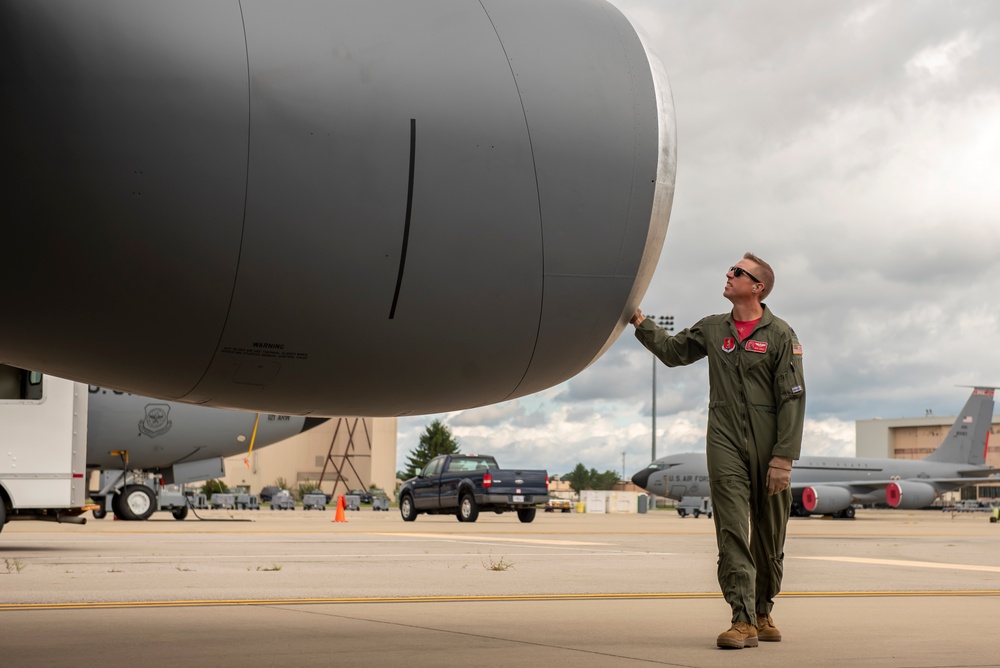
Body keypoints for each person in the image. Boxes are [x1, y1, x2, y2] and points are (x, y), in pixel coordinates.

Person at [630, 252, 805, 650]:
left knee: (770, 534)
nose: (728, 274)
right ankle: (741, 620)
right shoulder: (712, 328)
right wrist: (640, 323)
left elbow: (792, 397)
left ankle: (763, 609)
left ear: (757, 287)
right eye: (730, 269)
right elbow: (675, 353)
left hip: (770, 446)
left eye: (738, 272)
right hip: (724, 439)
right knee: (731, 530)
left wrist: (783, 458)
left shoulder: (780, 334)